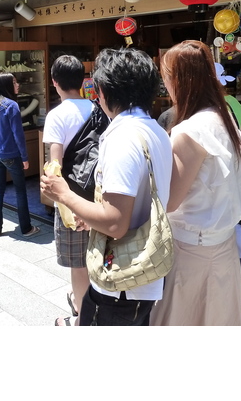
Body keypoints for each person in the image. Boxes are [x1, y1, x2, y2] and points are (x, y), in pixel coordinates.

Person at [41, 48, 172, 326]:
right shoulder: (155, 130)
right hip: (144, 272)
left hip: (120, 280)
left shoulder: (122, 137)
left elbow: (114, 223)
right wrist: (91, 216)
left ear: (102, 90)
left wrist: (64, 194)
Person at [149, 40, 241, 326]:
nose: (165, 84)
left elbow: (170, 200)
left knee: (181, 317)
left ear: (180, 81)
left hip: (194, 248)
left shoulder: (189, 130)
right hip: (223, 243)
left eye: (166, 77)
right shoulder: (223, 115)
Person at [158, 62, 241, 290]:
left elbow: (171, 201)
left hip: (194, 241)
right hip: (221, 236)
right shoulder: (227, 112)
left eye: (166, 78)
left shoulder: (185, 126)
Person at [42, 55, 94, 326]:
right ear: (82, 80)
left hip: (72, 199)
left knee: (79, 263)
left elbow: (55, 164)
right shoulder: (99, 109)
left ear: (54, 82)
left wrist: (54, 196)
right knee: (99, 255)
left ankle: (81, 318)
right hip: (100, 199)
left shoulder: (56, 115)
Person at [0, 73, 39, 238]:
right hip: (10, 153)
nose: (18, 85)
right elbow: (18, 135)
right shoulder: (12, 105)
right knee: (20, 190)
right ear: (7, 85)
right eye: (14, 82)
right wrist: (24, 157)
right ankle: (26, 228)